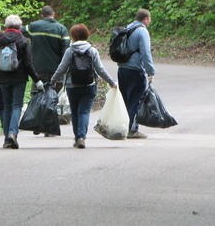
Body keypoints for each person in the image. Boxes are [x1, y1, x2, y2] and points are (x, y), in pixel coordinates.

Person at [50, 24, 117, 148]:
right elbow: (100, 70)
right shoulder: (92, 50)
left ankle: (78, 138)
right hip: (89, 85)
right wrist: (111, 82)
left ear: (73, 36)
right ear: (86, 35)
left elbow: (62, 68)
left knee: (75, 112)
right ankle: (81, 137)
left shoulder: (70, 51)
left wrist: (53, 81)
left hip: (72, 85)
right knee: (84, 112)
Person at [0, 15, 43, 149]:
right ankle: (13, 133)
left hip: (3, 78)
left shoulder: (0, 40)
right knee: (17, 105)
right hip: (19, 78)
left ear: (6, 25)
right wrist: (37, 79)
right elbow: (28, 64)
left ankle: (6, 140)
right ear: (19, 26)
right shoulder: (23, 40)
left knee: (6, 107)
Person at [116, 8, 155, 139]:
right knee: (135, 100)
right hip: (135, 70)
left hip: (122, 69)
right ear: (145, 19)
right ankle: (131, 129)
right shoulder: (142, 31)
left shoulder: (128, 28)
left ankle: (123, 127)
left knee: (126, 100)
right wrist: (150, 71)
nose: (149, 22)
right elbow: (145, 52)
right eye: (149, 19)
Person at [22, 5, 70, 92]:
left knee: (38, 94)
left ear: (42, 16)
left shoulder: (34, 27)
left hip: (38, 67)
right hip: (56, 68)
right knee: (55, 95)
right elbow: (66, 50)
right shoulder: (62, 29)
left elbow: (19, 31)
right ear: (54, 14)